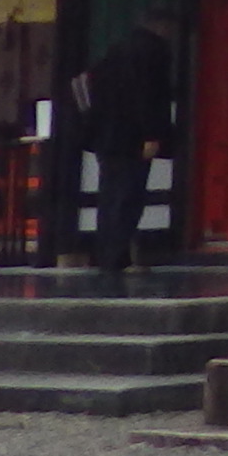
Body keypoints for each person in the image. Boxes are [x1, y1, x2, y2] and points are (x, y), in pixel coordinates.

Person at [77, 17, 179, 280]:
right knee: (129, 196)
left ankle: (106, 253)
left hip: (106, 137)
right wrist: (153, 133)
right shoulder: (154, 53)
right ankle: (116, 255)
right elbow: (150, 96)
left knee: (109, 196)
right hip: (133, 137)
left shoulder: (113, 52)